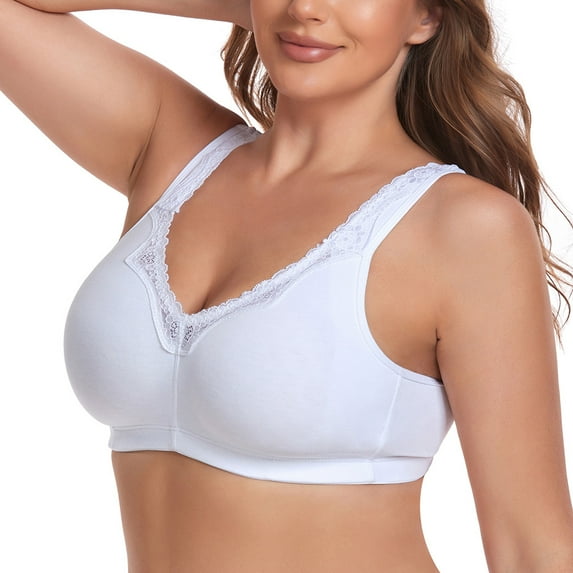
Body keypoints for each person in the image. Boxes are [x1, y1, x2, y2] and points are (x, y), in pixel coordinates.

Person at [1, 0, 572, 571]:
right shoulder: (169, 148)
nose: (307, 6)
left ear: (427, 16)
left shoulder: (463, 227)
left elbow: (531, 547)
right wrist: (253, 7)